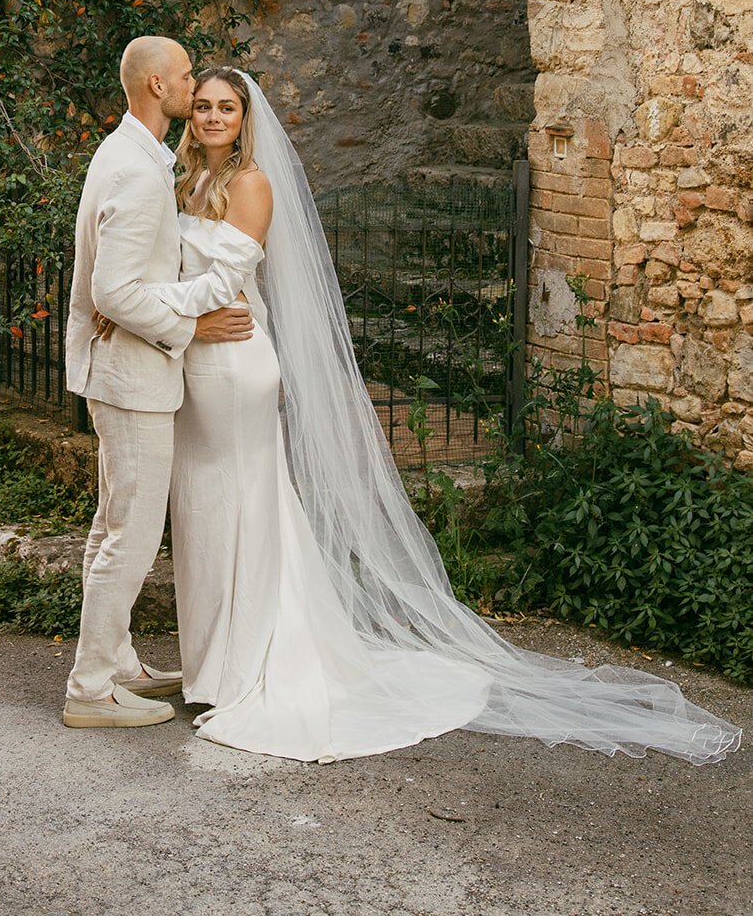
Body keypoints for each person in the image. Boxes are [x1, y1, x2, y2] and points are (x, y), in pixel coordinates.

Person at [108, 66, 742, 765]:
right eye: (202, 106)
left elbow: (221, 283)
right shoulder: (187, 180)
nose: (212, 117)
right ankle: (211, 667)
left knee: (241, 506)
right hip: (194, 358)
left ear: (245, 116)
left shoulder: (251, 183)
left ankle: (248, 665)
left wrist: (151, 310)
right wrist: (150, 307)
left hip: (231, 363)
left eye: (226, 107)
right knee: (202, 510)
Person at [62, 37, 258, 730]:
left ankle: (115, 663)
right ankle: (89, 690)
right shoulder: (141, 172)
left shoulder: (128, 154)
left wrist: (147, 309)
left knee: (111, 524)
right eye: (183, 78)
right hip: (134, 379)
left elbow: (124, 283)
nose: (189, 84)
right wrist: (189, 328)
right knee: (132, 536)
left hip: (117, 372)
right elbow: (113, 290)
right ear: (155, 85)